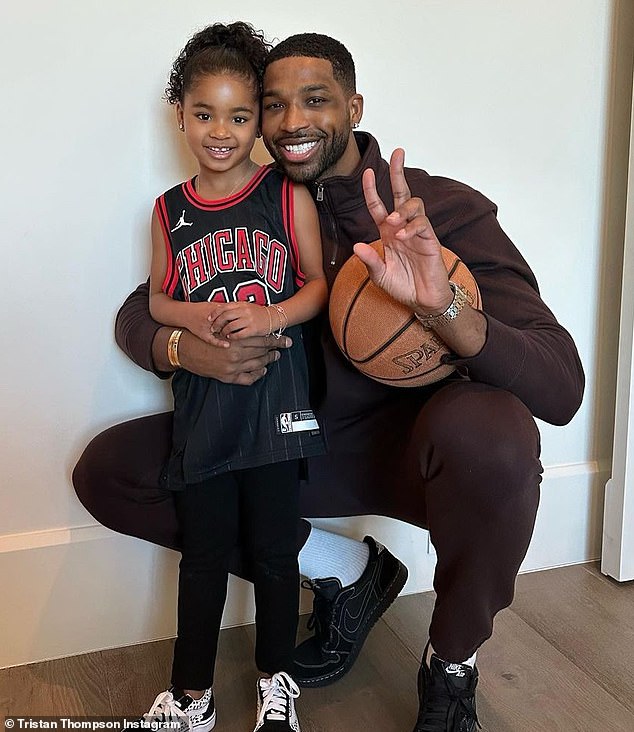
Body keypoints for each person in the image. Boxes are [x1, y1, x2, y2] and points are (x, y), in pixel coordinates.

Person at [73, 32, 584, 732]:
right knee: (111, 471)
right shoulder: (258, 206)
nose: (291, 123)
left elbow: (561, 386)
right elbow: (145, 307)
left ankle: (451, 662)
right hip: (299, 446)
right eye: (272, 105)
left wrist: (442, 307)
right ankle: (347, 572)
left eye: (314, 100)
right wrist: (184, 349)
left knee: (495, 430)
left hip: (425, 455)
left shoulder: (438, 210)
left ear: (354, 104)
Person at [129, 23, 330, 732]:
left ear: (258, 125)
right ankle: (192, 695)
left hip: (275, 410)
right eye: (205, 114)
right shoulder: (167, 209)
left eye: (240, 117)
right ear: (179, 113)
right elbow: (155, 300)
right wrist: (202, 317)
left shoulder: (283, 197)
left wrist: (272, 314)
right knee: (204, 554)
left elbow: (317, 286)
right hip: (206, 413)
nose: (222, 132)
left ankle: (276, 683)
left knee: (276, 553)